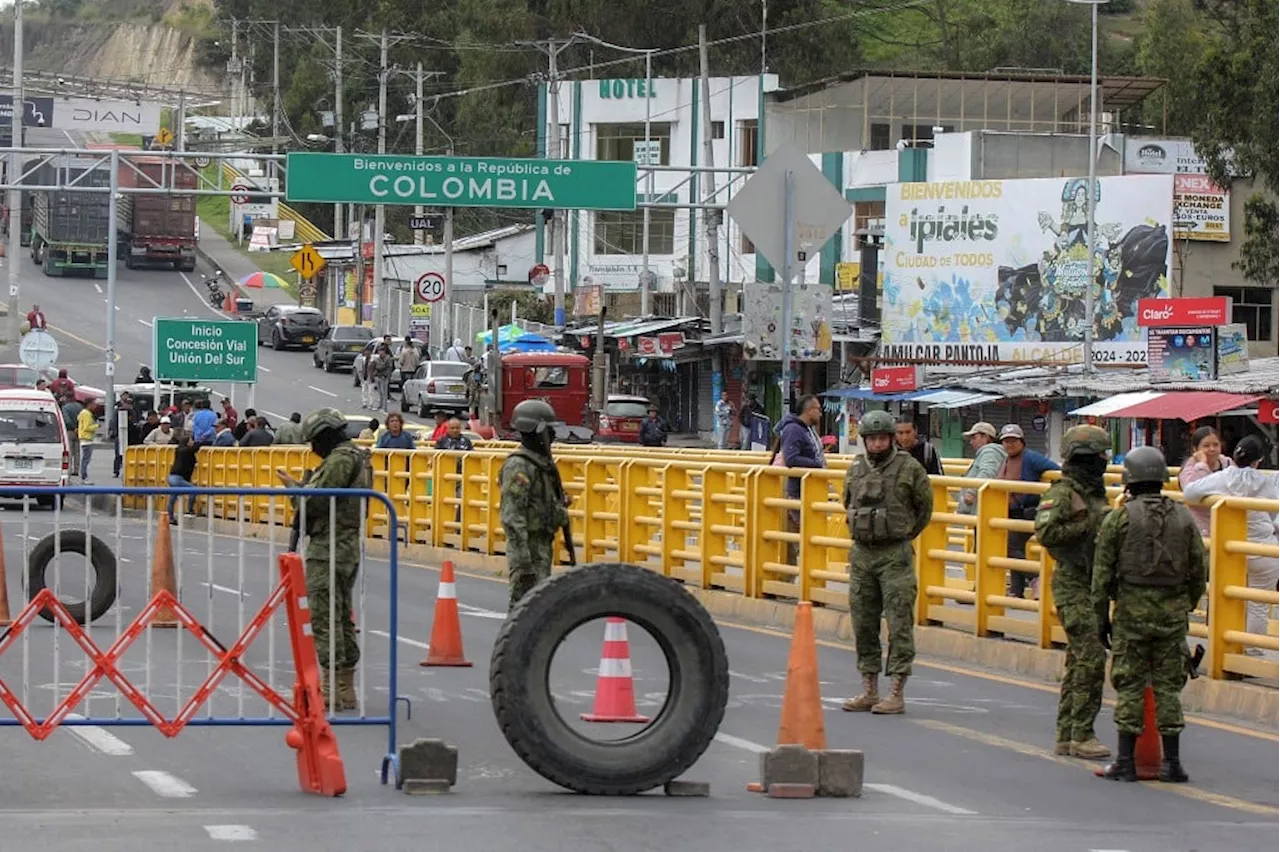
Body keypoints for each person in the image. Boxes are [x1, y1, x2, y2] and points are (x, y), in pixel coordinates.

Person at [1094, 445, 1207, 783]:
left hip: (1131, 611)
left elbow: (1101, 576)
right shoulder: (1183, 516)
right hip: (1171, 613)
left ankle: (1126, 761)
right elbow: (1200, 571)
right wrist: (1183, 604)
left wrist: (1103, 620)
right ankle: (1172, 763)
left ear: (1128, 479)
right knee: (1169, 686)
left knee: (1129, 684)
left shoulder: (1119, 518)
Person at [276, 408, 373, 711]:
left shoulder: (341, 460)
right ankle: (344, 688)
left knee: (325, 615)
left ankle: (331, 688)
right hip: (343, 544)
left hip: (330, 544)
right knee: (341, 613)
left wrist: (295, 490)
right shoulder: (356, 458)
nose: (313, 449)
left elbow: (316, 501)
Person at [840, 410, 933, 715]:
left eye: (883, 438)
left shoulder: (909, 468)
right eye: (872, 439)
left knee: (899, 621)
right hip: (862, 554)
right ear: (865, 441)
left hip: (895, 555)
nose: (878, 444)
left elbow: (925, 508)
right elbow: (847, 501)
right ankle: (869, 689)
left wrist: (903, 533)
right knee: (863, 622)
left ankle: (896, 692)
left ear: (892, 439)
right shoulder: (855, 468)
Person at [1033, 425, 1113, 761]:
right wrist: (1091, 525)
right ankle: (1083, 733)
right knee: (1091, 656)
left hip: (1094, 584)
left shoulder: (1096, 494)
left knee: (1078, 658)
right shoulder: (1063, 493)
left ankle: (1066, 734)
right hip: (1072, 582)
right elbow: (1047, 531)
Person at [1182, 435, 1280, 645]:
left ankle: (1225, 651)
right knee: (1258, 605)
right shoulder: (1266, 482)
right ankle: (1252, 653)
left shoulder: (1222, 478)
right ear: (1259, 460)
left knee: (1227, 601)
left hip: (1229, 550)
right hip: (1264, 550)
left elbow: (1190, 492)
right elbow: (1275, 517)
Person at [499, 399, 572, 609]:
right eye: (548, 431)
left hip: (541, 544)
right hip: (528, 549)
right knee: (524, 610)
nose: (553, 436)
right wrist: (524, 561)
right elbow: (512, 516)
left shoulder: (541, 464)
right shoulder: (519, 466)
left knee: (538, 607)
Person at [998, 424, 1060, 599]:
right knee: (1014, 547)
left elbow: (1056, 470)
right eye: (1006, 441)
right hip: (1010, 511)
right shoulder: (1006, 459)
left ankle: (1035, 578)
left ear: (1022, 442)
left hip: (1026, 512)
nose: (1010, 445)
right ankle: (1016, 591)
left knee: (1010, 547)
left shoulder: (1031, 458)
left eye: (1013, 441)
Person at [1177, 426, 1233, 536]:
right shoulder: (1189, 469)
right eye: (1206, 446)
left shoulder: (1228, 464)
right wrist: (1202, 464)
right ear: (1195, 449)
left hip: (1227, 525)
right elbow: (1194, 492)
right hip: (1202, 530)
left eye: (1216, 445)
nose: (1212, 449)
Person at [957, 422, 1006, 515]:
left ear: (986, 437)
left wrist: (971, 492)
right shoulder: (992, 452)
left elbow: (988, 471)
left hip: (982, 509)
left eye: (974, 437)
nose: (971, 442)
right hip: (984, 507)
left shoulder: (989, 452)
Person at [166, 435, 200, 521]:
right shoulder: (186, 451)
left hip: (172, 476)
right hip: (178, 478)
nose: (192, 442)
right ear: (187, 442)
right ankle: (190, 510)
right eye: (191, 440)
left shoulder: (179, 450)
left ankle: (170, 517)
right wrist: (199, 442)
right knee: (193, 490)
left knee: (173, 497)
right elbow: (196, 447)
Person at [62, 395, 84, 477]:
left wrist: (73, 428)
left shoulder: (65, 408)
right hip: (79, 430)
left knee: (69, 451)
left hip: (70, 431)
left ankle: (69, 469)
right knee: (77, 451)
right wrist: (78, 428)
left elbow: (67, 420)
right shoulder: (80, 407)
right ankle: (76, 469)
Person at [372, 344, 395, 412]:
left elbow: (389, 368)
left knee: (384, 392)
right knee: (380, 392)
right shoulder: (377, 358)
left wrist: (387, 375)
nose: (380, 353)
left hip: (384, 377)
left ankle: (385, 408)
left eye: (381, 351)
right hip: (378, 376)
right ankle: (380, 405)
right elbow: (376, 366)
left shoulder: (388, 358)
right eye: (379, 351)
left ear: (384, 351)